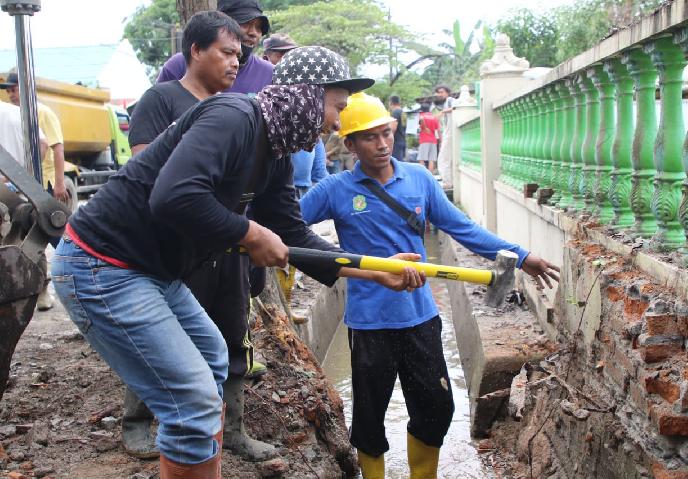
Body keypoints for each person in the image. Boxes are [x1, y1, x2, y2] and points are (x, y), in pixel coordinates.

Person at [51, 46, 423, 479]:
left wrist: (375, 269)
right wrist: (249, 233)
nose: (337, 123)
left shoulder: (276, 153)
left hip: (152, 271)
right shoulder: (233, 116)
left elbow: (294, 233)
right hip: (101, 265)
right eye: (336, 106)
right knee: (193, 400)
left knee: (212, 358)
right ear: (305, 95)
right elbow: (174, 195)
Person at [300, 92, 560, 479]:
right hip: (369, 324)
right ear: (350, 144)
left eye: (386, 133)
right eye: (370, 137)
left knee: (437, 409)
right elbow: (288, 229)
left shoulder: (418, 179)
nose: (383, 143)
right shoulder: (336, 189)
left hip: (420, 318)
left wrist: (521, 256)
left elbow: (462, 228)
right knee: (369, 420)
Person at [127, 11, 281, 462]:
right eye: (226, 53)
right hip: (175, 244)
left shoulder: (237, 107)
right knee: (158, 333)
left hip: (228, 243)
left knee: (232, 332)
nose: (236, 63)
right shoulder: (161, 99)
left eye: (240, 54)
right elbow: (145, 170)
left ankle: (231, 427)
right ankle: (137, 421)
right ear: (194, 51)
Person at [2, 71, 68, 311]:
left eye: (14, 89)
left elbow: (55, 147)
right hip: (19, 186)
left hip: (43, 183)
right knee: (23, 239)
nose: (11, 94)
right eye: (8, 90)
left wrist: (58, 184)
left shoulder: (41, 113)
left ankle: (72, 275)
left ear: (26, 88)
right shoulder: (14, 115)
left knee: (48, 234)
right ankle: (36, 287)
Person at [156, 0, 273, 97]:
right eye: (245, 24)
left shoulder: (271, 74)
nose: (254, 33)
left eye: (259, 28)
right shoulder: (179, 66)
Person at [434, 85, 455, 188]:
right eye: (438, 93)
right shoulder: (446, 103)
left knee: (443, 159)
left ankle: (448, 182)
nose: (439, 94)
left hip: (451, 134)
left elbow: (456, 108)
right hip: (448, 134)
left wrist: (442, 112)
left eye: (441, 92)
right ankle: (449, 181)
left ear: (447, 92)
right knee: (446, 159)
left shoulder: (450, 100)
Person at [417, 102, 439, 172]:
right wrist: (440, 140)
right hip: (433, 140)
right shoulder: (434, 117)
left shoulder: (421, 116)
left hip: (424, 140)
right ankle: (430, 176)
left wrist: (423, 128)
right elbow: (437, 130)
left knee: (421, 159)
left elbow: (419, 125)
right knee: (431, 160)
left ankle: (423, 176)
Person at [388, 95, 405, 161]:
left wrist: (388, 140)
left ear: (391, 102)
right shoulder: (402, 112)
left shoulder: (396, 112)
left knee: (396, 163)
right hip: (402, 139)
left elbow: (393, 127)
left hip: (396, 142)